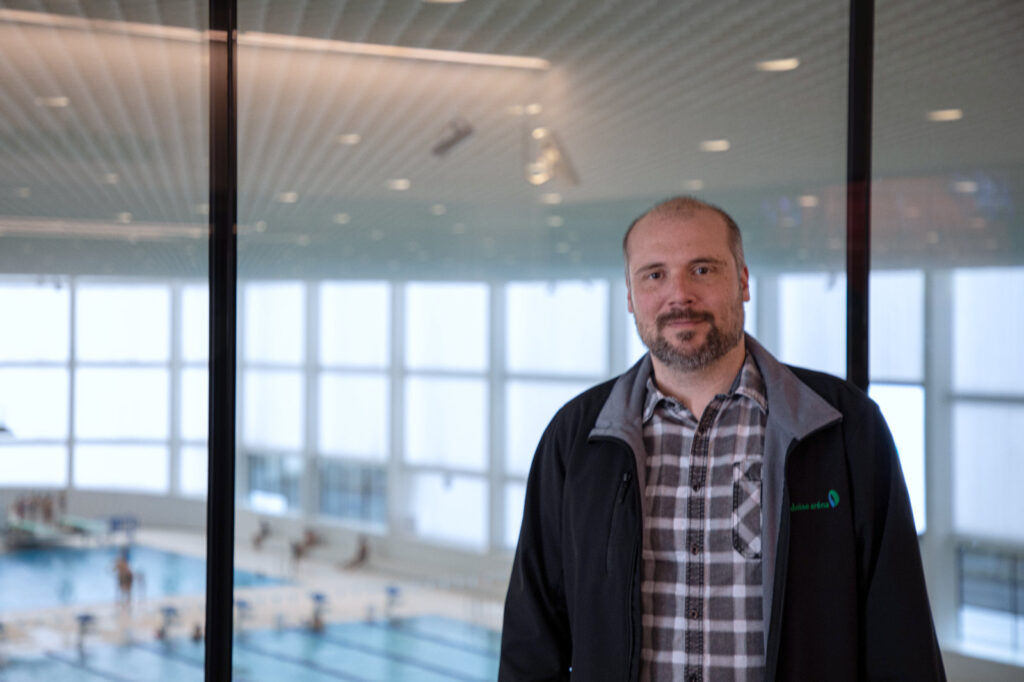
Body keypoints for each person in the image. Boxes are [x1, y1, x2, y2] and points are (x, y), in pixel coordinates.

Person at [500, 197, 945, 681]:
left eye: (703, 269)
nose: (679, 296)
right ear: (629, 296)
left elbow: (900, 634)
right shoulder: (576, 439)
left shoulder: (843, 428)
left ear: (744, 281)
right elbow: (532, 638)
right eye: (654, 275)